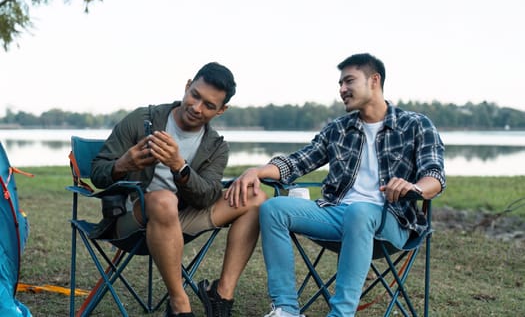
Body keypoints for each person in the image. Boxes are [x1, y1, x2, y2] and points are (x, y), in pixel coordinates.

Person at [226, 53, 446, 317]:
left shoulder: (416, 124)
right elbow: (299, 162)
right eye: (340, 84)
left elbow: (434, 176)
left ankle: (341, 314)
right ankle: (285, 309)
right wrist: (257, 171)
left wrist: (414, 188)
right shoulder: (338, 129)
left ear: (374, 80)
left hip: (393, 221)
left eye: (349, 81)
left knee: (360, 211)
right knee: (273, 209)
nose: (342, 90)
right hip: (337, 214)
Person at [90, 62, 267, 317]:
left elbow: (206, 196)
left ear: (221, 110)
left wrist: (179, 166)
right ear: (187, 86)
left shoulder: (216, 146)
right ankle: (179, 303)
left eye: (209, 105)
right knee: (163, 200)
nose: (196, 107)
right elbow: (98, 172)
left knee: (256, 198)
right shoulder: (143, 120)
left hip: (181, 221)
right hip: (132, 220)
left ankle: (221, 295)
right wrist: (122, 164)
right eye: (195, 95)